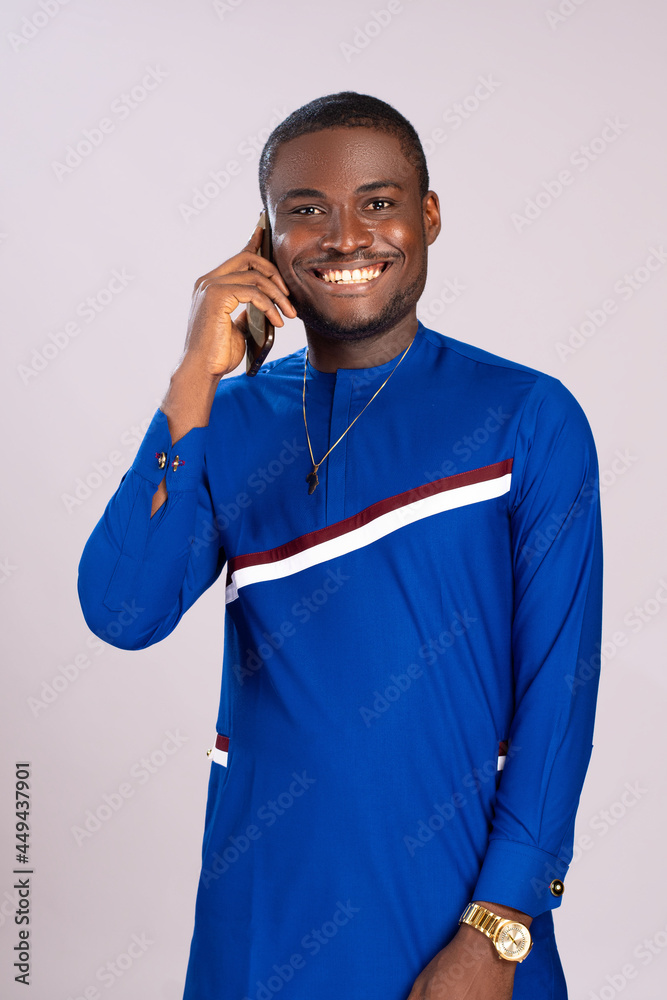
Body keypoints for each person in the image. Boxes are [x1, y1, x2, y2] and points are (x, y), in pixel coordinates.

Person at [78, 92, 603, 1000]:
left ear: (428, 216)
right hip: (258, 917)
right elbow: (123, 611)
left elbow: (558, 689)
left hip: (449, 917)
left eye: (379, 200)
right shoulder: (227, 421)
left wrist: (498, 928)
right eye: (305, 210)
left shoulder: (526, 415)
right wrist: (193, 372)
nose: (345, 235)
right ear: (266, 237)